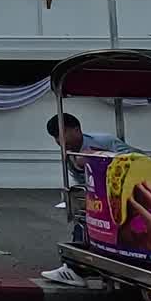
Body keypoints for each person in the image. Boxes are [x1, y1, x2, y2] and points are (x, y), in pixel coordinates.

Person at [41, 112, 139, 288]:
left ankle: (75, 269)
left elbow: (135, 161)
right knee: (83, 220)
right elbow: (81, 180)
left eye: (61, 134)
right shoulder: (68, 154)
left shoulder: (103, 141)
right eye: (55, 137)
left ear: (76, 130)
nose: (58, 140)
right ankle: (76, 267)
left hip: (130, 191)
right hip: (100, 196)